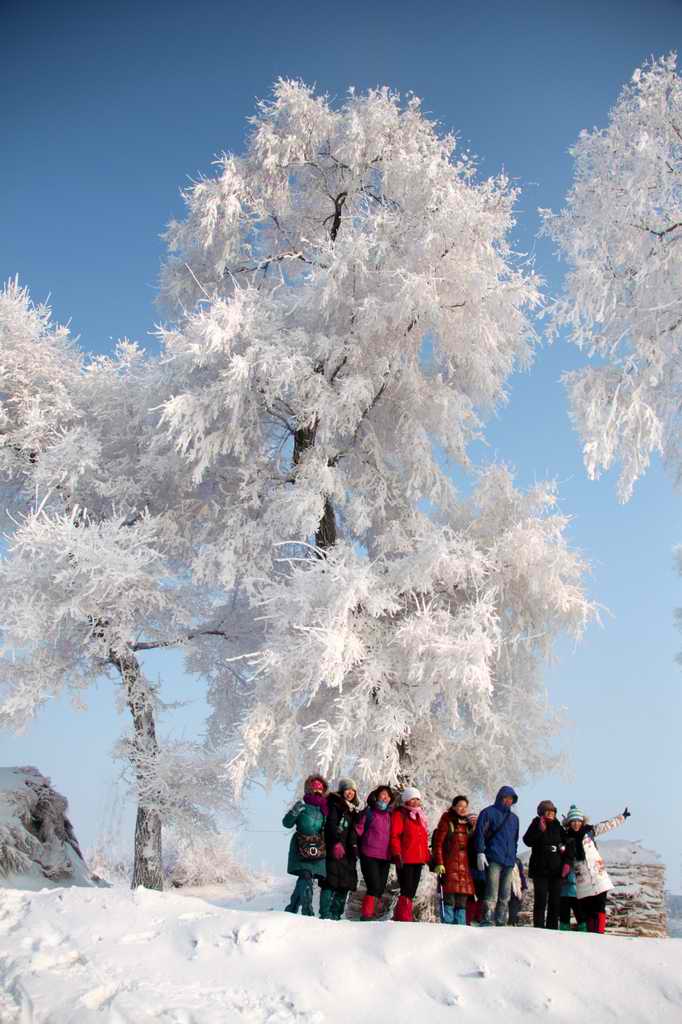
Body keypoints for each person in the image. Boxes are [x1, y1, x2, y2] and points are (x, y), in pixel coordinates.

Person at [564, 804, 631, 934]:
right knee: (588, 909)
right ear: (569, 823)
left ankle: (600, 933)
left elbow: (606, 825)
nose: (576, 824)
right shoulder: (567, 838)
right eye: (573, 821)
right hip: (582, 879)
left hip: (598, 875)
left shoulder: (590, 831)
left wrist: (621, 817)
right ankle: (591, 935)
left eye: (578, 821)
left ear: (582, 821)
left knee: (600, 907)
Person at [473, 785, 519, 926]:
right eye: (506, 798)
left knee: (505, 894)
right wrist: (480, 852)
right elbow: (479, 833)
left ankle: (500, 921)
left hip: (509, 860)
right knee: (491, 892)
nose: (508, 801)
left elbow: (515, 840)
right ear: (500, 798)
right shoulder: (488, 813)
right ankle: (487, 919)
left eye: (511, 799)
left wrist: (514, 856)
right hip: (493, 857)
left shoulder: (514, 819)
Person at [282, 774, 329, 915]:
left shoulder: (324, 810)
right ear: (308, 788)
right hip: (300, 846)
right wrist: (294, 811)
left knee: (307, 878)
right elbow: (286, 823)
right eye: (314, 786)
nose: (318, 790)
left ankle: (291, 909)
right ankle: (308, 911)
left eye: (321, 787)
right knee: (306, 876)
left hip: (317, 848)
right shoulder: (301, 806)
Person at [523, 800, 572, 930]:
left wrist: (567, 863)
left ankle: (552, 929)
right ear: (541, 812)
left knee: (555, 902)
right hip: (540, 869)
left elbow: (568, 846)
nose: (551, 813)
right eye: (547, 810)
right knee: (540, 900)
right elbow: (527, 841)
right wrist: (539, 830)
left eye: (553, 811)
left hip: (557, 870)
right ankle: (538, 928)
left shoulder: (558, 826)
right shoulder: (536, 823)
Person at [319, 777, 360, 921]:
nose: (350, 793)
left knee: (345, 884)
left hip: (348, 853)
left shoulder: (354, 810)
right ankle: (325, 914)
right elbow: (330, 824)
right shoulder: (335, 804)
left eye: (352, 791)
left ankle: (336, 915)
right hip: (334, 848)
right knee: (330, 882)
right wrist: (336, 842)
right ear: (342, 791)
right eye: (347, 790)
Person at [433, 795, 476, 924]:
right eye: (460, 806)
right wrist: (439, 862)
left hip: (464, 868)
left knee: (462, 901)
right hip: (449, 865)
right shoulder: (447, 821)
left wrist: (475, 828)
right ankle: (448, 925)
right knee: (449, 898)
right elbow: (438, 843)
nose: (463, 809)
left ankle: (460, 926)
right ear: (454, 807)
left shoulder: (468, 824)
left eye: (465, 806)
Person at [390, 786, 430, 922]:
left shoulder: (420, 816)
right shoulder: (400, 814)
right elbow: (394, 835)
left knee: (412, 890)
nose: (415, 802)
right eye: (412, 799)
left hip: (418, 860)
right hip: (405, 858)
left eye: (417, 799)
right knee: (406, 889)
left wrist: (429, 858)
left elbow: (423, 841)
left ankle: (401, 916)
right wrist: (396, 853)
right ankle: (404, 917)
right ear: (406, 800)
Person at [355, 784, 395, 921]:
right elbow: (358, 830)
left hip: (385, 856)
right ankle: (366, 915)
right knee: (373, 886)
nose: (385, 797)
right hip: (369, 854)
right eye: (383, 794)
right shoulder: (369, 812)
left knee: (380, 887)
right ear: (377, 796)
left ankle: (371, 914)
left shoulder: (391, 815)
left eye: (388, 795)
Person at [508, 858, 528, 926]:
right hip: (504, 891)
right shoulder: (501, 859)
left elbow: (521, 876)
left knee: (514, 916)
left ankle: (513, 925)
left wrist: (524, 888)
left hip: (516, 892)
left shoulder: (518, 861)